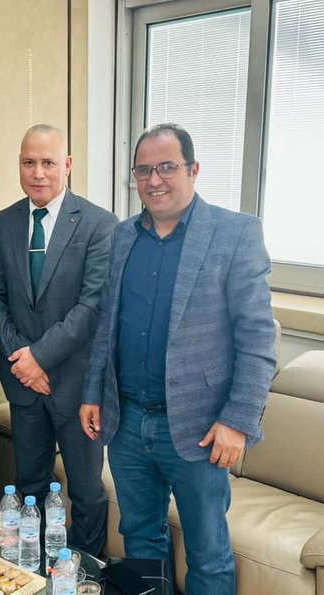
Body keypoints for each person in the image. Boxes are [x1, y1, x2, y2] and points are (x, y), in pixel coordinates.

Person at [80, 123, 277, 594]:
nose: (155, 180)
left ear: (193, 169)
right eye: (144, 170)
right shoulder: (122, 234)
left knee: (208, 553)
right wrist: (93, 393)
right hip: (127, 422)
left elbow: (258, 337)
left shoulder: (235, 233)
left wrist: (239, 419)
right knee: (139, 538)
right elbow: (107, 324)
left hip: (200, 428)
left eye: (167, 167)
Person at [0, 124, 117, 556]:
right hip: (25, 388)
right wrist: (21, 361)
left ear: (66, 165)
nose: (38, 172)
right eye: (29, 162)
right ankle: (37, 572)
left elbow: (92, 306)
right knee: (30, 487)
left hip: (78, 388)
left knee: (86, 493)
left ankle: (85, 575)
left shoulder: (100, 224)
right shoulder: (3, 223)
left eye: (47, 162)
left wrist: (39, 358)